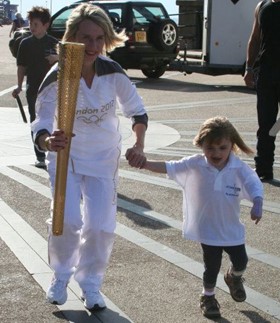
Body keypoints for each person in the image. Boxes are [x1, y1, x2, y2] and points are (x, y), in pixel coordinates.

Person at [31, 3, 148, 311]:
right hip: (66, 156)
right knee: (67, 220)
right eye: (85, 38)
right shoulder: (58, 75)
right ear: (72, 37)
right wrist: (46, 140)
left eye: (99, 38)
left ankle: (91, 283)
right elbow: (41, 120)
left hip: (103, 158)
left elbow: (137, 110)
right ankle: (61, 274)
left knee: (100, 225)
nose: (92, 46)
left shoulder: (113, 72)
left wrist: (138, 143)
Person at [128, 116, 263, 318]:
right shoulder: (195, 164)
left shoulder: (238, 168)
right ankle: (207, 296)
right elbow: (169, 166)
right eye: (210, 148)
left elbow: (253, 183)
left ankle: (234, 277)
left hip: (231, 229)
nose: (216, 153)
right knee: (211, 267)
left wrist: (258, 202)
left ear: (232, 146)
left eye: (222, 148)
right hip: (207, 229)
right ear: (201, 145)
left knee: (241, 261)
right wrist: (144, 164)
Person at [12, 7, 58, 168]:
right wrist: (18, 86)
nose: (32, 27)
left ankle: (53, 150)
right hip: (33, 90)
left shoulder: (54, 43)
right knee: (36, 121)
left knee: (53, 120)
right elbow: (21, 67)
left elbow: (67, 62)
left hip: (52, 90)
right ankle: (39, 155)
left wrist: (57, 57)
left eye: (36, 24)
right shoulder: (25, 43)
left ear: (46, 25)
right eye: (31, 23)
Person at [244, 0, 280, 181]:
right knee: (266, 125)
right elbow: (255, 38)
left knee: (276, 125)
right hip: (267, 74)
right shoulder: (262, 6)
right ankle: (264, 169)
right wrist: (249, 68)